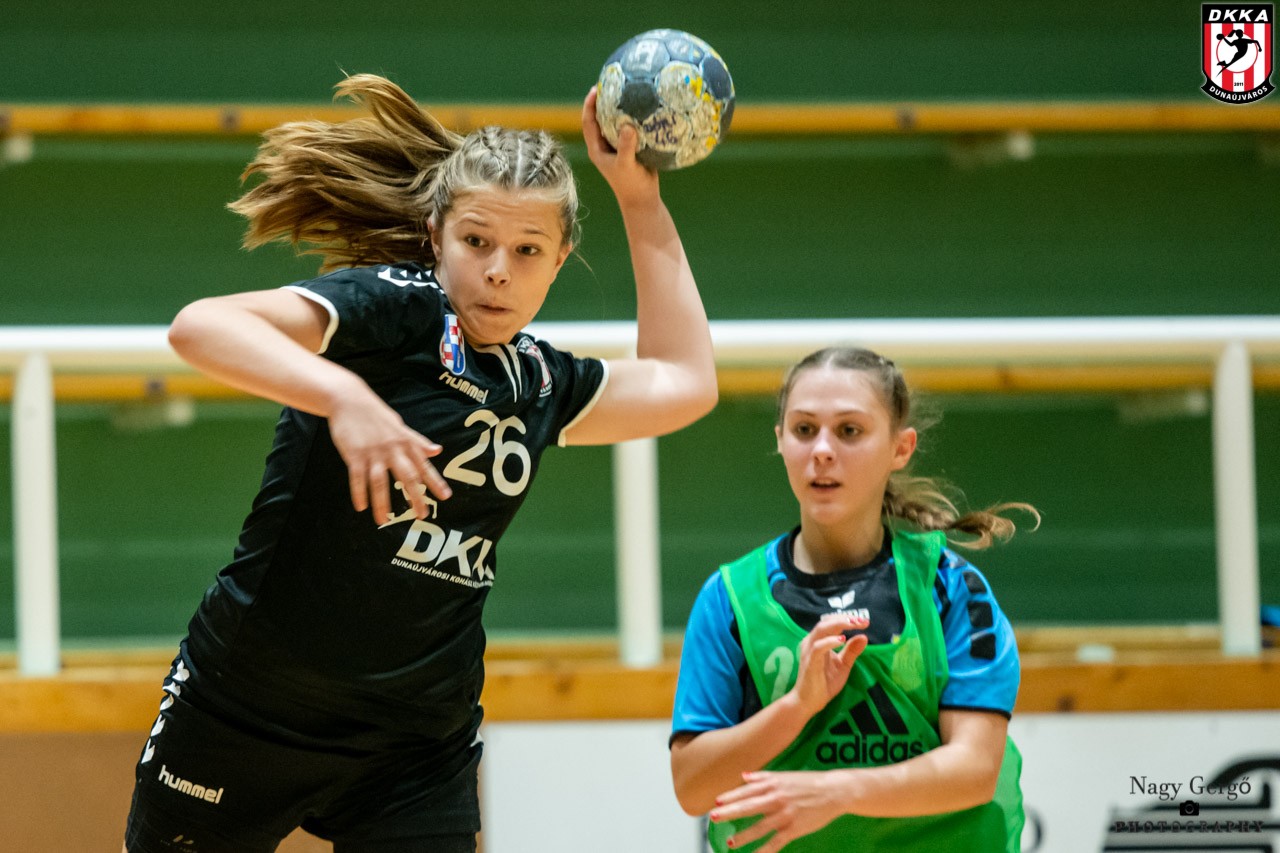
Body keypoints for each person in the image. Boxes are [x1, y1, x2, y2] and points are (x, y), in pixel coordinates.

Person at [122, 73, 717, 853]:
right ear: (436, 235)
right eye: (477, 242)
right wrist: (343, 395)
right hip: (250, 708)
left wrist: (641, 200)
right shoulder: (392, 307)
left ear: (560, 259)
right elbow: (199, 327)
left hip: (413, 745)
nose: (499, 270)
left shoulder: (539, 382)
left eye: (527, 250)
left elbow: (686, 381)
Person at [669, 346, 1036, 853]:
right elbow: (692, 788)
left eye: (849, 430)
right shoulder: (730, 599)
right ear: (780, 441)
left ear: (900, 448)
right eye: (803, 429)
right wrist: (797, 707)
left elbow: (974, 768)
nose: (822, 450)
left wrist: (837, 792)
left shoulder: (949, 586)